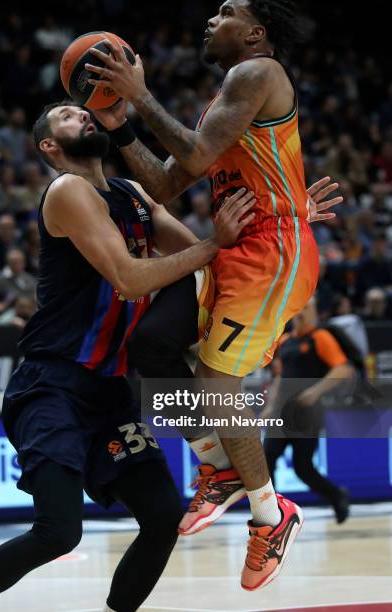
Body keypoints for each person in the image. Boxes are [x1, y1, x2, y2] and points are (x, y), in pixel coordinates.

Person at [0, 102, 252, 612]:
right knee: (59, 532)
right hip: (52, 384)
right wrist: (210, 247)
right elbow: (130, 278)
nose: (82, 115)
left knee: (163, 515)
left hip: (109, 393)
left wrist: (222, 246)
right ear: (49, 146)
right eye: (66, 115)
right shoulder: (66, 190)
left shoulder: (133, 194)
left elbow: (191, 259)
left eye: (84, 111)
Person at [88, 0, 343, 591]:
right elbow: (167, 181)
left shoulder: (257, 72)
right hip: (236, 246)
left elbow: (196, 156)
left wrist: (139, 92)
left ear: (255, 32)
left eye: (226, 11)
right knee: (148, 348)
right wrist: (121, 124)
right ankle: (219, 465)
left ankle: (269, 513)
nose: (211, 17)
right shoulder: (225, 100)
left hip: (269, 250)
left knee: (215, 381)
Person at [262, 296, 353, 524]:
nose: (301, 312)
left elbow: (343, 370)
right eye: (298, 308)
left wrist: (315, 391)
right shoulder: (284, 341)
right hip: (282, 413)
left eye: (306, 308)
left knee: (303, 468)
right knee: (266, 460)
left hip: (307, 414)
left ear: (314, 312)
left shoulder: (320, 337)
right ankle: (272, 516)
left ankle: (336, 495)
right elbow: (280, 377)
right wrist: (270, 406)